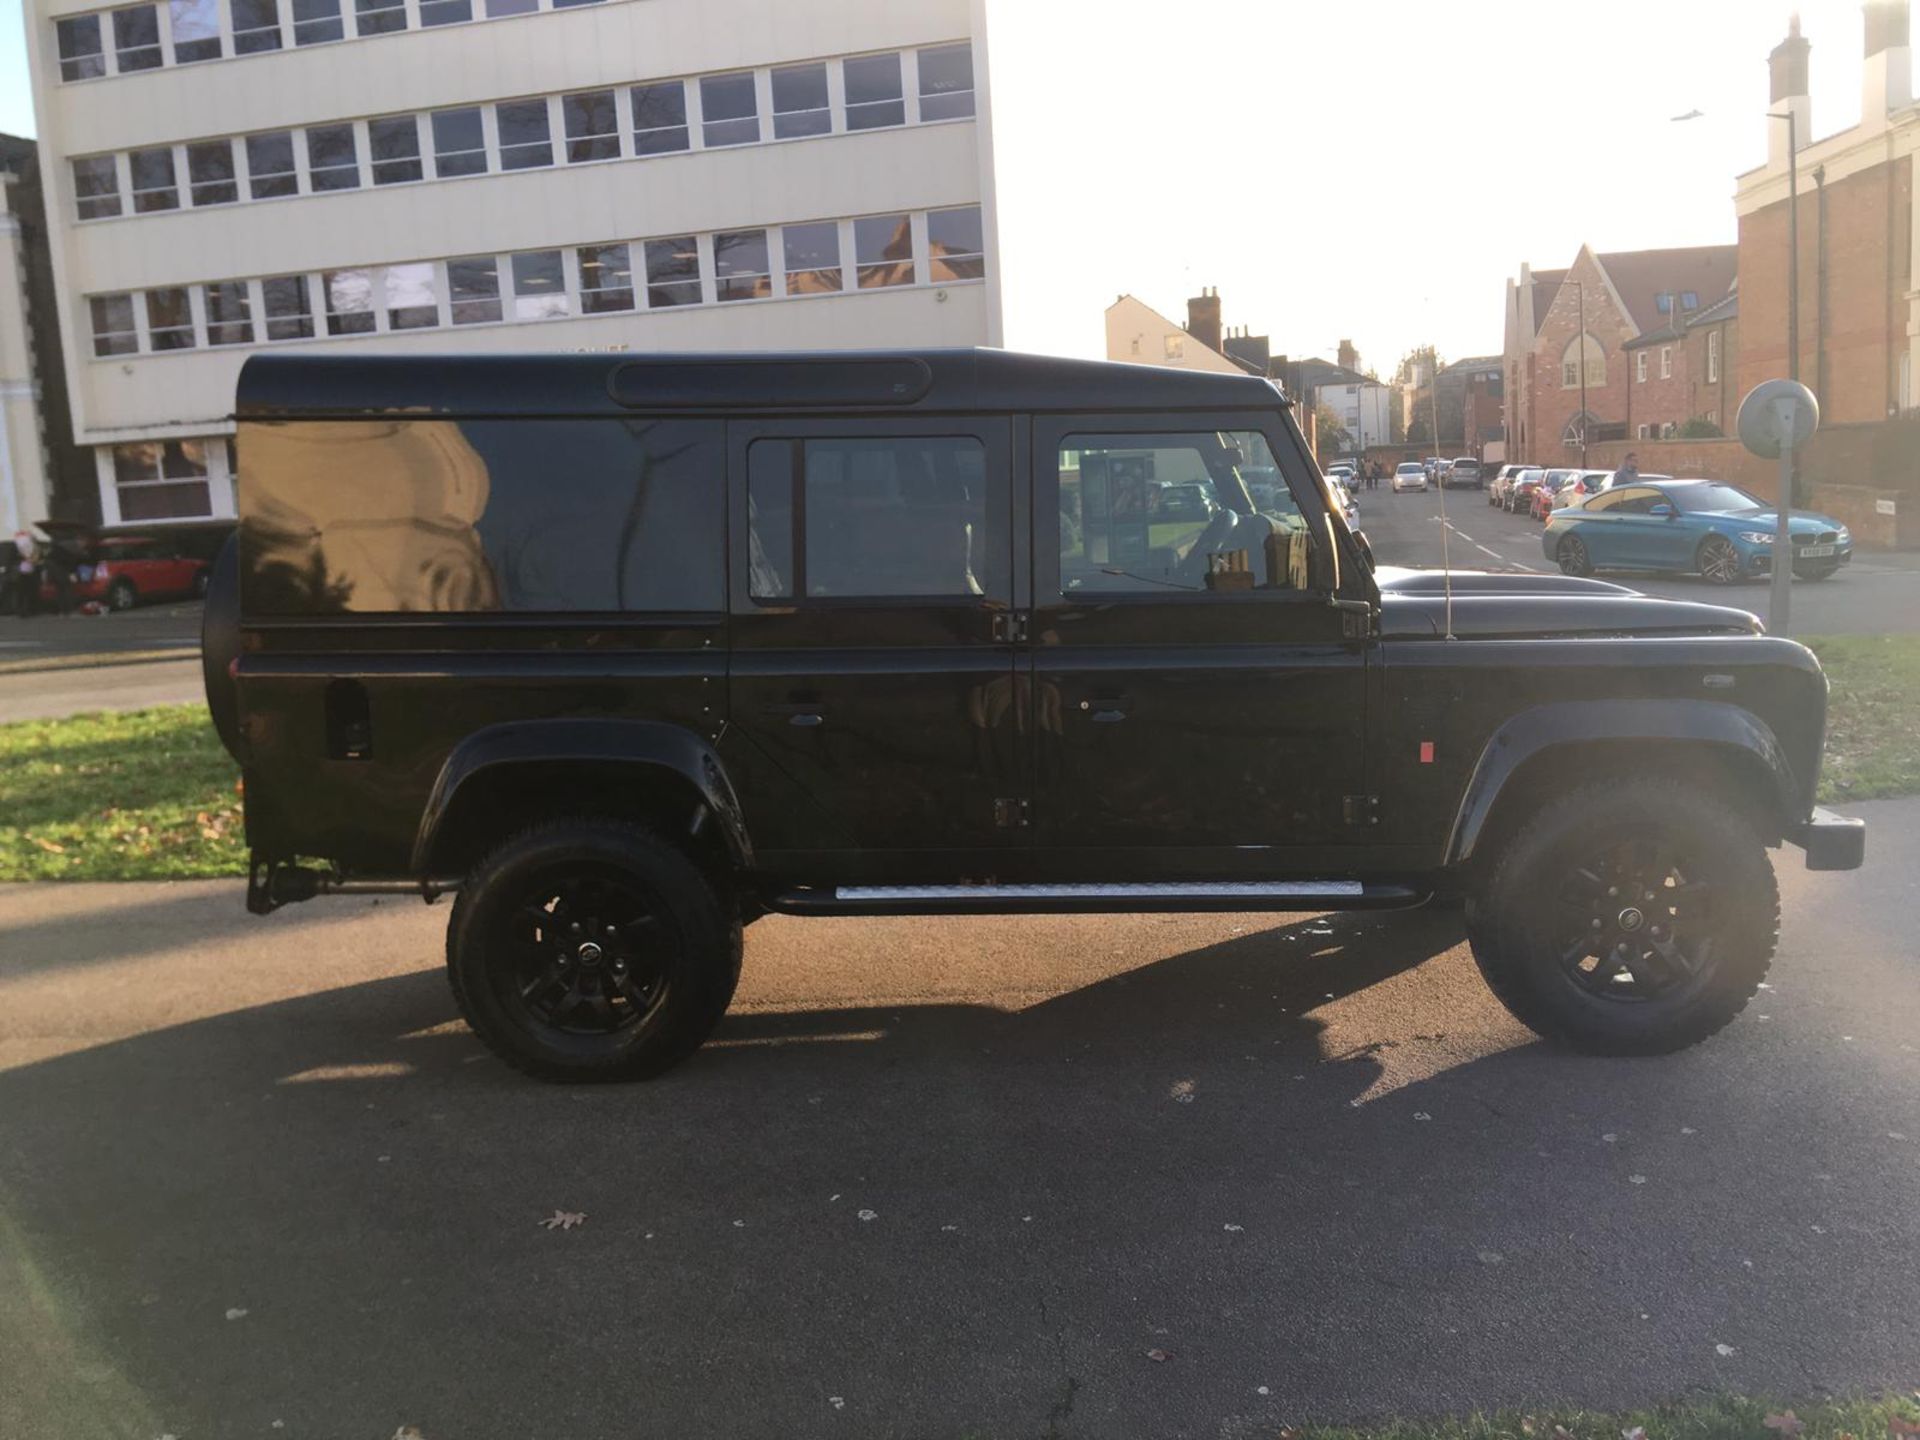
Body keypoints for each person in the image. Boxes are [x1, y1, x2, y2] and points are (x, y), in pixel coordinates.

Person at [11, 530, 38, 619]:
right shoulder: (18, 548)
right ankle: (22, 611)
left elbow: (35, 557)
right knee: (22, 593)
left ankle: (25, 611)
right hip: (21, 573)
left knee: (25, 592)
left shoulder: (31, 547)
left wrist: (30, 559)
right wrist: (26, 558)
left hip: (27, 572)